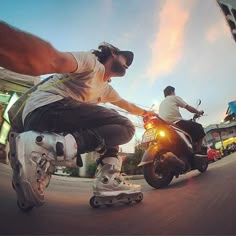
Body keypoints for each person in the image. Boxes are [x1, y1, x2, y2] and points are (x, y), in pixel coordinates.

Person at [0, 21, 155, 207]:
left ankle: (107, 179)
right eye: (125, 58)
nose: (128, 64)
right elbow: (54, 60)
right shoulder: (91, 63)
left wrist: (148, 113)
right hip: (46, 109)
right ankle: (50, 149)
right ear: (113, 53)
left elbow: (127, 105)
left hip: (47, 120)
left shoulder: (106, 90)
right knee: (126, 126)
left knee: (114, 124)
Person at [158, 86, 205, 153]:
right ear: (172, 92)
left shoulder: (161, 104)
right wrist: (199, 112)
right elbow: (188, 107)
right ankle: (198, 152)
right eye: (174, 92)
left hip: (165, 126)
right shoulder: (173, 97)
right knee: (200, 128)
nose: (175, 93)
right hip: (176, 124)